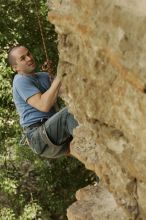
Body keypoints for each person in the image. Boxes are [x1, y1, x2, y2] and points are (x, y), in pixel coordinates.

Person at [8, 45, 78, 158]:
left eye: (28, 54)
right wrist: (59, 75)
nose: (29, 58)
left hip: (53, 133)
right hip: (38, 136)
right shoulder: (20, 80)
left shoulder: (43, 76)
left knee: (79, 108)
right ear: (15, 67)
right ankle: (87, 141)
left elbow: (67, 90)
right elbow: (44, 105)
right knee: (70, 112)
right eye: (22, 58)